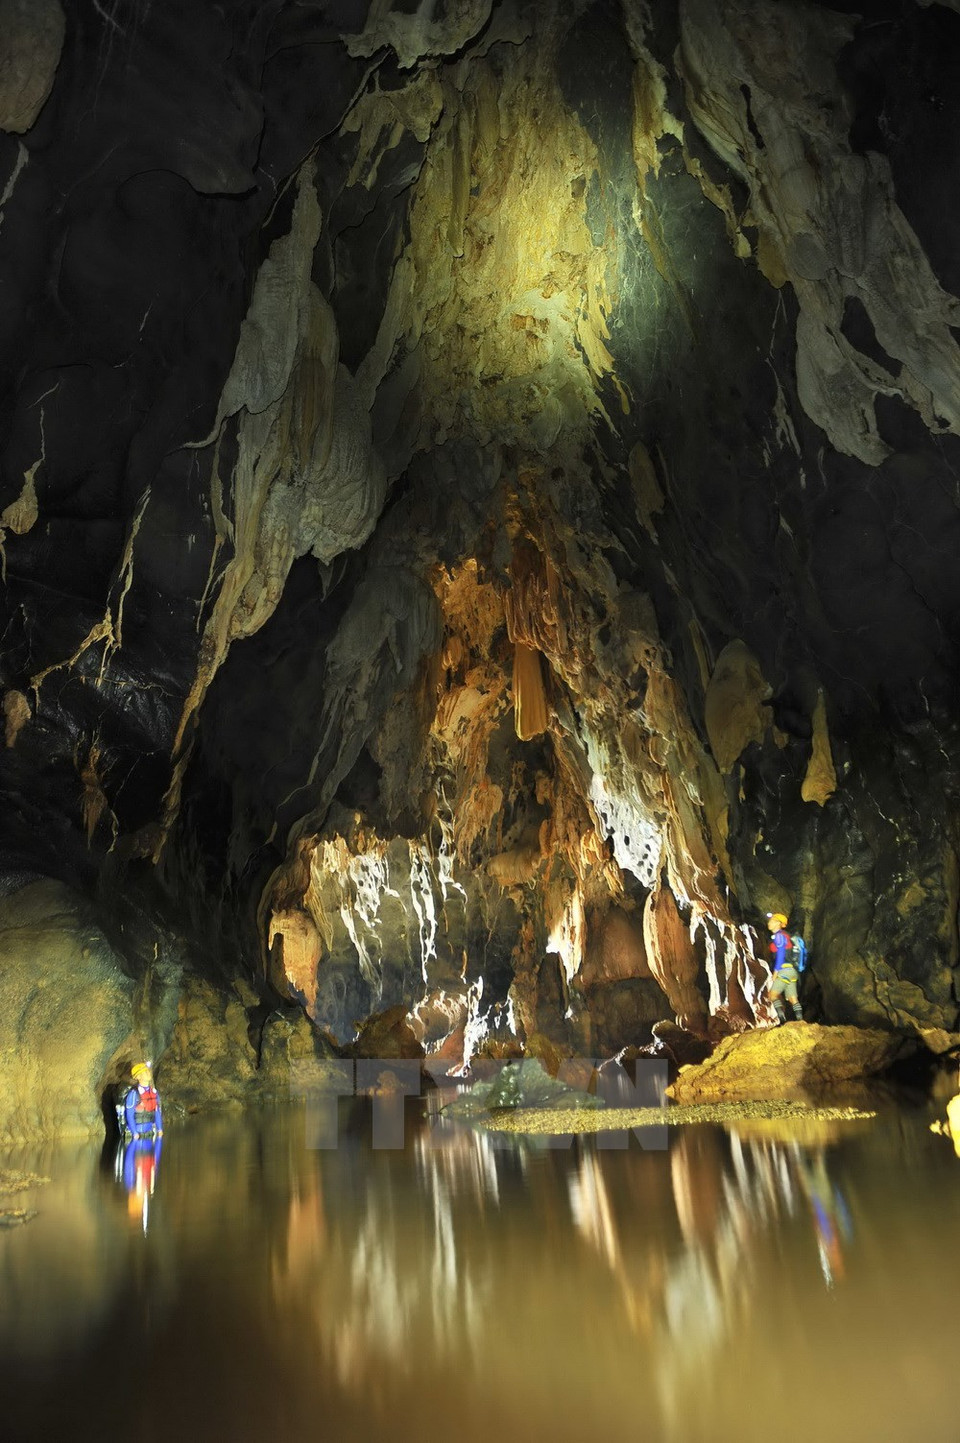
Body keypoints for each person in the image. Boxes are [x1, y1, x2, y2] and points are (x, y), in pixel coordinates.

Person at [766, 912, 805, 1024]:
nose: (769, 922)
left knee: (772, 995)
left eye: (772, 920)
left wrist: (775, 972)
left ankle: (782, 1021)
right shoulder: (786, 935)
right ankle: (800, 1021)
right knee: (793, 999)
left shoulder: (780, 936)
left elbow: (781, 954)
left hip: (784, 971)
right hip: (792, 971)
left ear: (779, 923)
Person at [122, 1061, 163, 1138]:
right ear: (138, 1076)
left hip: (150, 1133)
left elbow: (157, 1112)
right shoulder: (134, 1094)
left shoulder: (154, 1093)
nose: (148, 1073)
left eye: (147, 1070)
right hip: (137, 1134)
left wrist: (160, 1129)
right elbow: (129, 1115)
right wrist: (134, 1133)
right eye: (145, 1072)